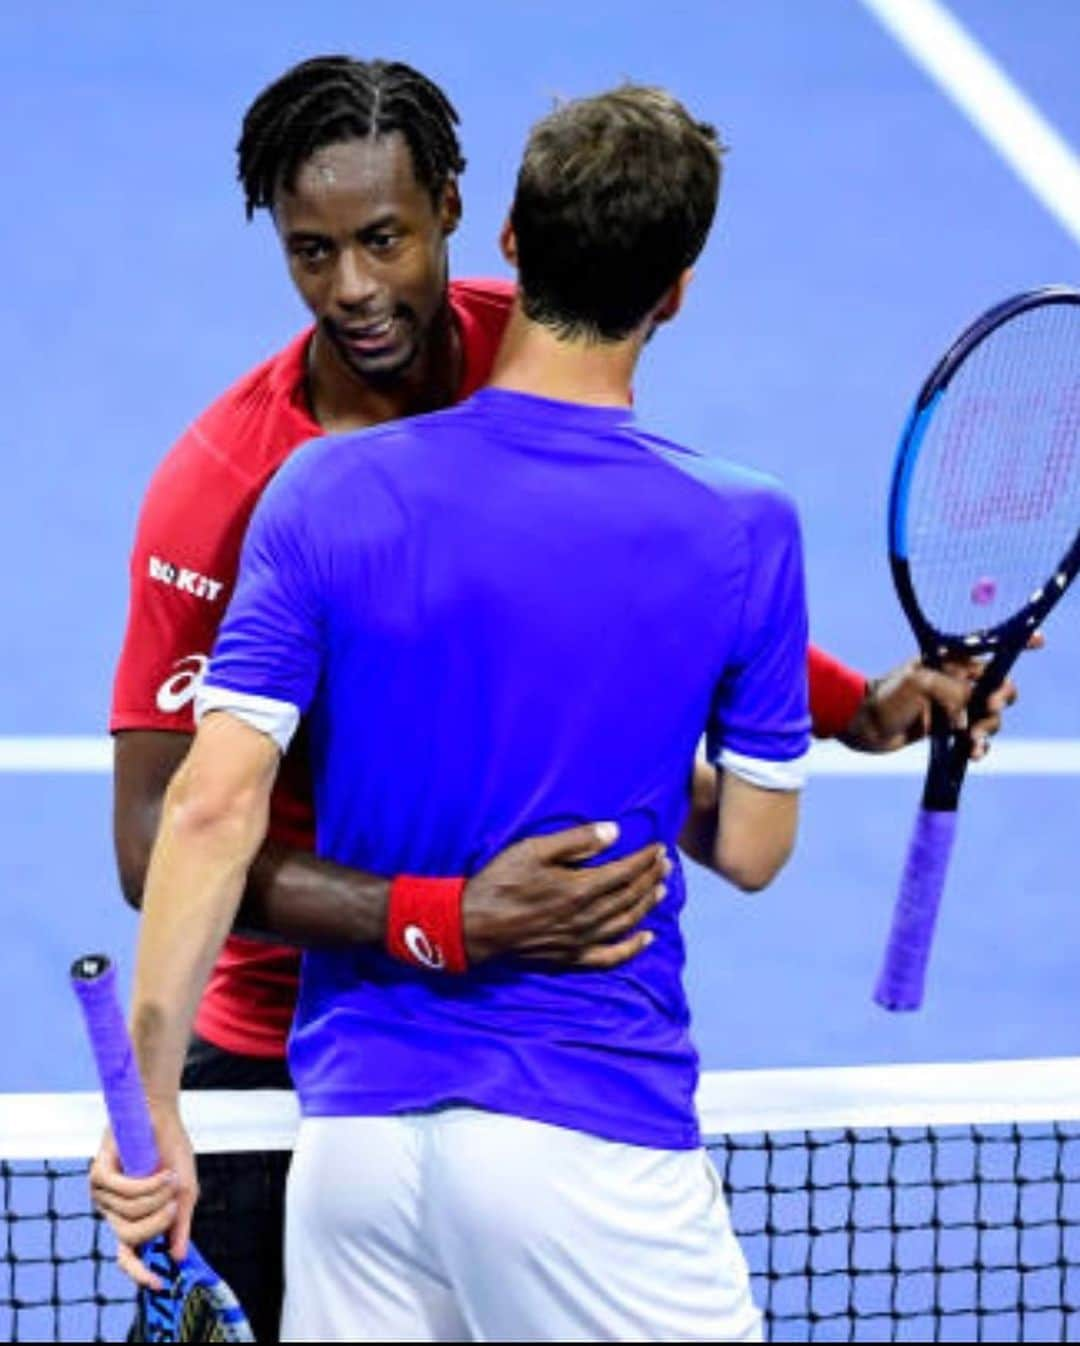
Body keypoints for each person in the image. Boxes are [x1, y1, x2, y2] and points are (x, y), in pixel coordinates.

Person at [94, 55, 1021, 1340]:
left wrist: (852, 703)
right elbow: (165, 839)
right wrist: (449, 919)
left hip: (380, 1104)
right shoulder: (231, 484)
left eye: (383, 240)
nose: (354, 289)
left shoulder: (494, 359)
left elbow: (613, 572)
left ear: (472, 221)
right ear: (676, 291)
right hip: (278, 1032)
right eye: (312, 254)